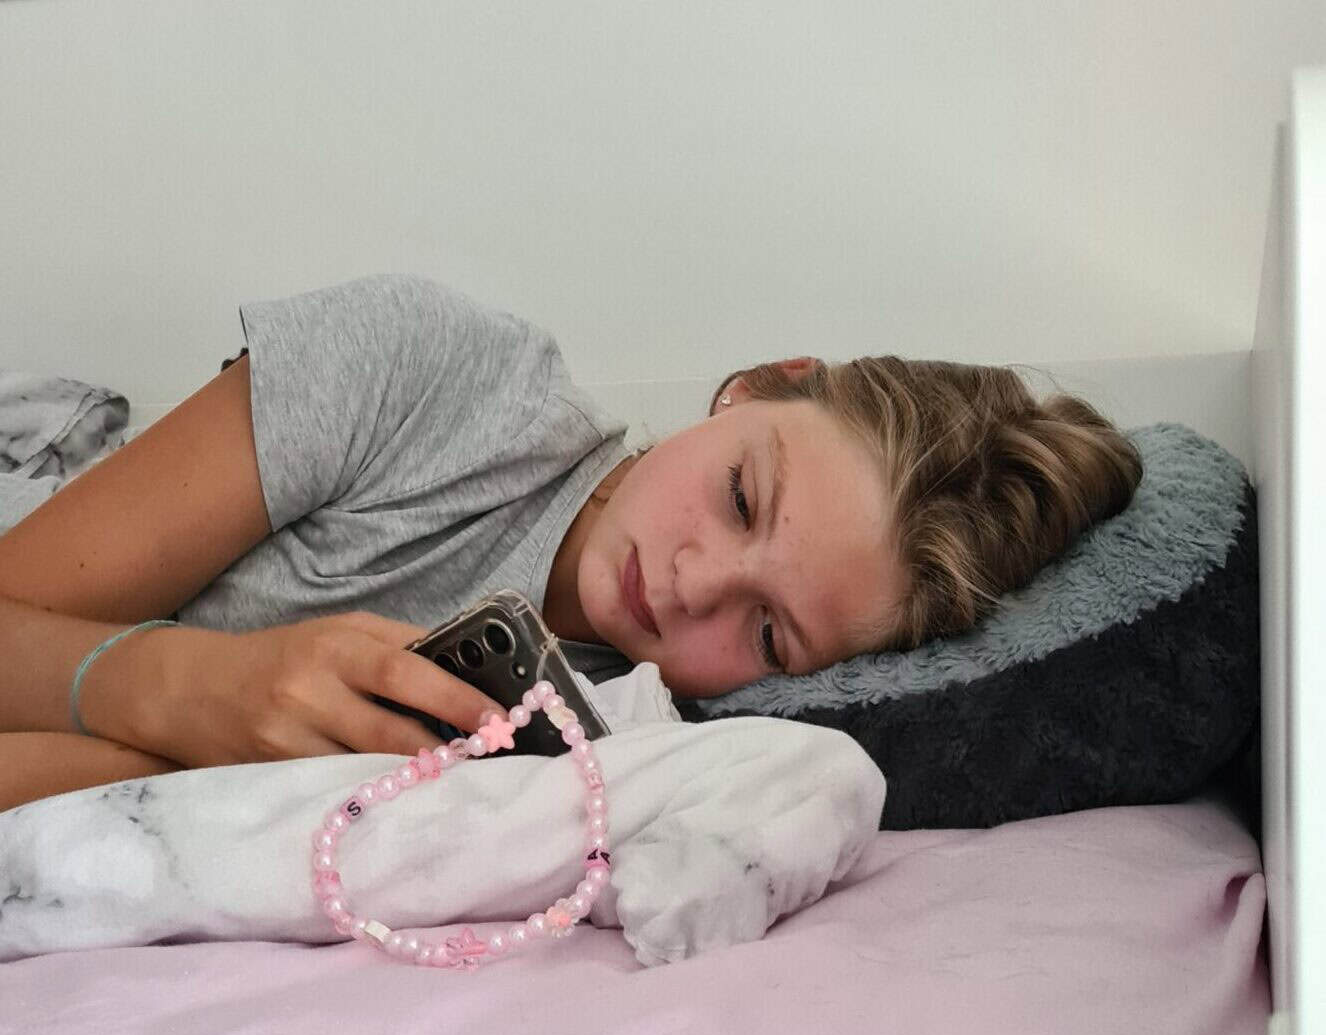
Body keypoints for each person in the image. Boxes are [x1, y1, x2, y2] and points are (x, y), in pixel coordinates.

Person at [0, 275, 1142, 811]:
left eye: (768, 632)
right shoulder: (437, 378)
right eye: (742, 496)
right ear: (757, 385)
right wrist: (189, 686)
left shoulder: (599, 754)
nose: (692, 583)